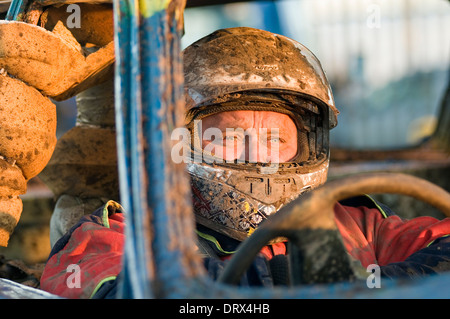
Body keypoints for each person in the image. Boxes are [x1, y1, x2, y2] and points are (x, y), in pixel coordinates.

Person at [40, 27, 450, 298]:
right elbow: (108, 284)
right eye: (230, 136)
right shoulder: (122, 231)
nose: (257, 156)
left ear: (305, 145)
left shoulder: (357, 223)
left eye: (276, 138)